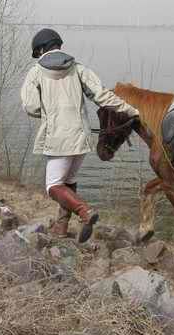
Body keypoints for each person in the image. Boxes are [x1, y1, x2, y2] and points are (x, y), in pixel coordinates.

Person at [21, 28, 139, 243]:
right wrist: (131, 110)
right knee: (69, 180)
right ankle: (61, 227)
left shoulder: (35, 72)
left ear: (40, 50)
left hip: (57, 137)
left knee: (53, 186)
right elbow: (102, 96)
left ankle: (85, 212)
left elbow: (30, 107)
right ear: (57, 45)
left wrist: (48, 113)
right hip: (81, 135)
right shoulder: (78, 68)